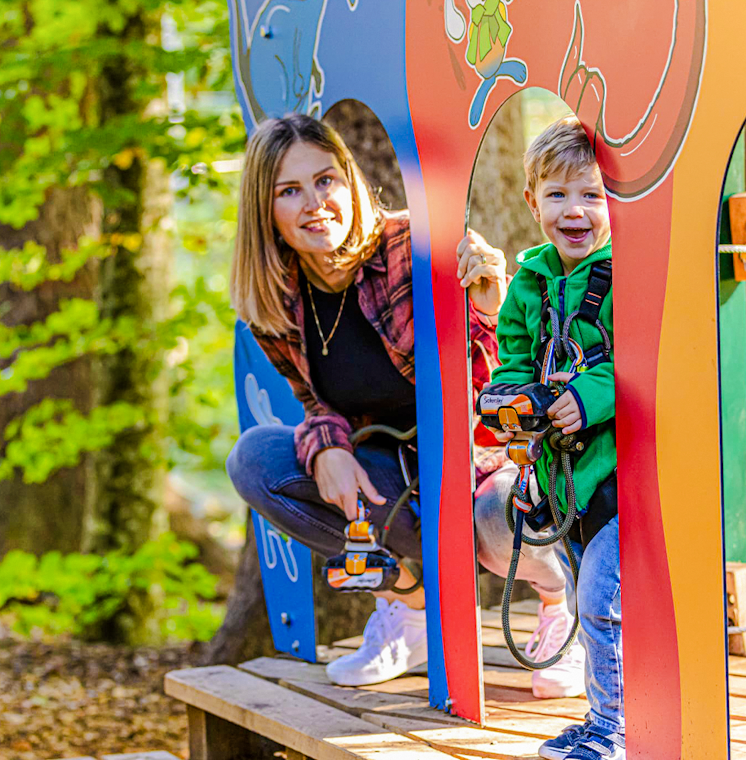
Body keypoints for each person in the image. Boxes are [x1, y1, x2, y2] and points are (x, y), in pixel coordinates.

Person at [225, 113, 585, 694]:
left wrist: (491, 308)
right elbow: (315, 404)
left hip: (482, 461)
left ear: (348, 180)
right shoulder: (274, 303)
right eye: (289, 191)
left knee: (494, 522)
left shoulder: (412, 244)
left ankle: (559, 609)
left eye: (325, 181)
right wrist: (326, 450)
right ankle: (414, 610)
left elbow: (505, 372)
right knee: (256, 460)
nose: (315, 203)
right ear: (264, 210)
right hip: (396, 477)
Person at [481, 116, 621, 759]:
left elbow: (643, 359)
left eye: (592, 195)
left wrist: (588, 400)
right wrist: (511, 396)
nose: (576, 211)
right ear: (532, 201)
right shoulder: (530, 284)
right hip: (570, 480)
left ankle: (614, 726)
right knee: (598, 594)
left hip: (626, 475)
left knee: (600, 598)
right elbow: (513, 355)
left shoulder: (624, 277)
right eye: (559, 195)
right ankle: (606, 716)